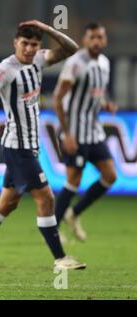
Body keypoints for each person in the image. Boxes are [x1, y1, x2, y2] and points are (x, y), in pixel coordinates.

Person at [0, 20, 86, 270]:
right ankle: (61, 259)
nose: (28, 49)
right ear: (15, 42)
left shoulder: (38, 59)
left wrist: (47, 28)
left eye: (34, 44)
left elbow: (71, 49)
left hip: (29, 144)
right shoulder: (5, 69)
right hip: (18, 147)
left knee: (8, 203)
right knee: (46, 198)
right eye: (24, 43)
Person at [53, 22, 117, 242]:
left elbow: (98, 91)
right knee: (73, 181)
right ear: (85, 39)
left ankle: (74, 213)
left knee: (110, 175)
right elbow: (58, 98)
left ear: (105, 39)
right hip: (75, 132)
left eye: (100, 37)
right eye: (92, 37)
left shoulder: (105, 63)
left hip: (94, 131)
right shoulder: (75, 63)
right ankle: (52, 229)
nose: (97, 41)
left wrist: (106, 103)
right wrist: (67, 134)